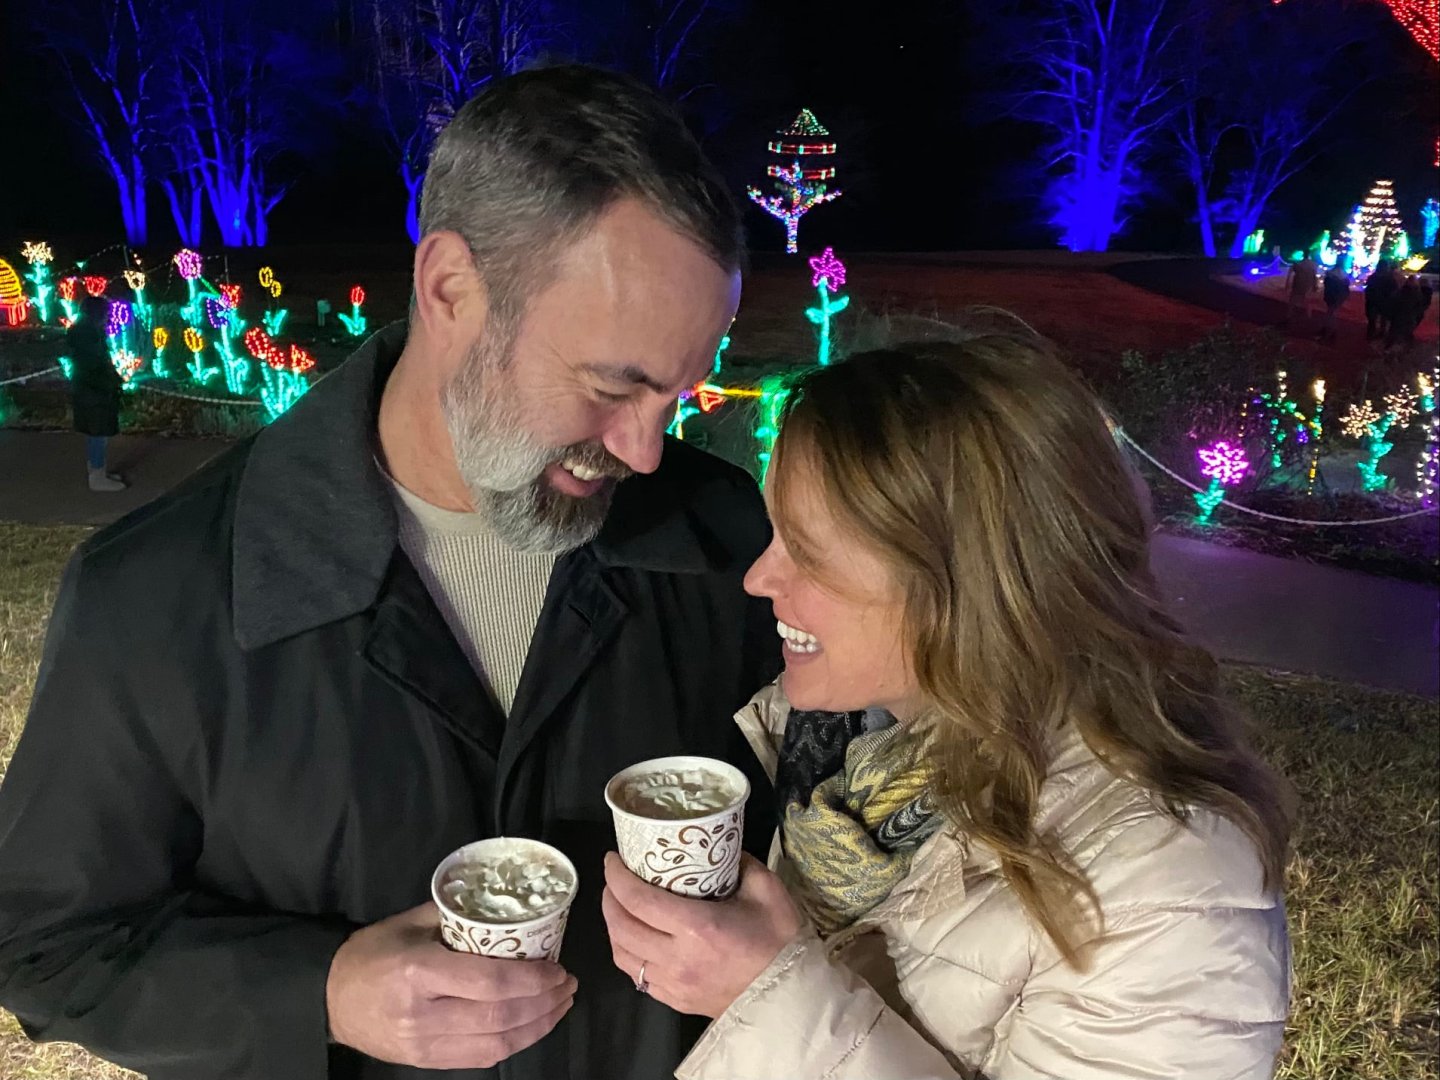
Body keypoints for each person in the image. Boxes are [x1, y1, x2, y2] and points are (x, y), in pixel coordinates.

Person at [0, 66, 780, 1080]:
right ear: (451, 287)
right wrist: (318, 993)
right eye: (610, 385)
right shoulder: (160, 593)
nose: (643, 450)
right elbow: (44, 942)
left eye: (677, 394)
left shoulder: (728, 546)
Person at [602, 334, 1295, 1079]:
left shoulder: (1168, 891)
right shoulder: (843, 757)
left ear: (973, 582)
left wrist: (764, 998)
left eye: (809, 549)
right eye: (775, 535)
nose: (758, 579)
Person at [67, 293, 128, 491]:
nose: (108, 317)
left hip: (89, 389)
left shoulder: (82, 331)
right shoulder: (89, 335)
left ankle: (97, 470)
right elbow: (97, 363)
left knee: (96, 432)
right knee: (97, 433)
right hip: (94, 391)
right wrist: (113, 381)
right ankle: (97, 477)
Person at [1364, 258, 1398, 340]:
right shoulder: (1389, 278)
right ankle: (1381, 333)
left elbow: (1368, 288)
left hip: (1373, 301)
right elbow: (1394, 289)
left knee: (1373, 319)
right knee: (1383, 318)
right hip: (1384, 301)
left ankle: (1371, 333)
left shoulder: (1373, 277)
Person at [1285, 250, 1318, 325]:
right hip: (1307, 285)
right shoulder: (1313, 264)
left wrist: (1287, 285)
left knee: (1293, 300)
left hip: (1297, 283)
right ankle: (1308, 317)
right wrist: (1315, 285)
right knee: (1308, 301)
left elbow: (1289, 274)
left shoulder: (1298, 264)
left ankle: (1289, 316)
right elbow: (1314, 276)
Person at [1320, 264, 1350, 343]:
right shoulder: (1343, 277)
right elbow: (1346, 290)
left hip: (1333, 297)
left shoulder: (1331, 275)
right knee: (1331, 313)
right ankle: (1329, 331)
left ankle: (1330, 333)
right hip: (1337, 298)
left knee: (1331, 314)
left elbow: (1327, 286)